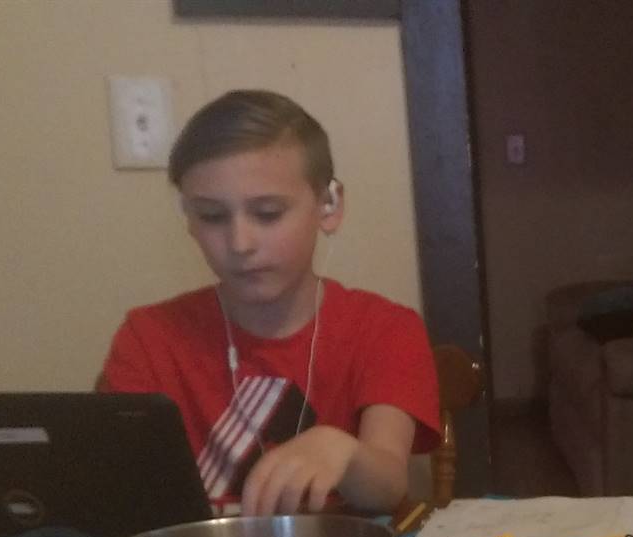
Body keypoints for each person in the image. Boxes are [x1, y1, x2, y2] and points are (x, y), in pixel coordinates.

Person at [99, 89, 441, 515]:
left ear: (328, 207)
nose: (240, 243)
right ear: (188, 218)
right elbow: (120, 494)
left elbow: (388, 483)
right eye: (212, 216)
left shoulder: (385, 328)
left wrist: (344, 453)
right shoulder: (148, 337)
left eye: (267, 214)